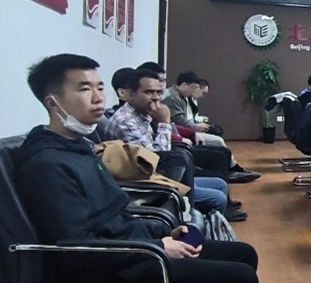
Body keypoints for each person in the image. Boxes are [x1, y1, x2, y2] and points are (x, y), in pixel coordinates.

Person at [15, 54, 259, 283]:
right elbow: (77, 248)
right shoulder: (47, 164)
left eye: (100, 87)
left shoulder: (76, 148)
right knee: (240, 281)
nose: (98, 98)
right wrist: (157, 248)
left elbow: (113, 216)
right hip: (109, 273)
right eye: (84, 89)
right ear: (53, 102)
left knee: (242, 254)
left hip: (133, 252)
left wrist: (162, 236)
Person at [104, 68, 245, 221]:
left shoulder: (142, 113)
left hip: (161, 172)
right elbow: (157, 160)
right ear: (130, 94)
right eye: (149, 92)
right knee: (218, 197)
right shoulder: (126, 121)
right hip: (148, 181)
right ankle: (205, 226)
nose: (156, 98)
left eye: (158, 92)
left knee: (220, 184)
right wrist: (164, 122)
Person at [151, 65, 259, 183]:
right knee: (218, 142)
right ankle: (230, 172)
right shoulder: (173, 98)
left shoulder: (181, 97)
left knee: (220, 143)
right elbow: (178, 121)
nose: (161, 87)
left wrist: (193, 131)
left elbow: (176, 123)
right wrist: (192, 131)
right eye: (193, 88)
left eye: (163, 81)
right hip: (177, 143)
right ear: (184, 85)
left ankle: (230, 171)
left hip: (181, 135)